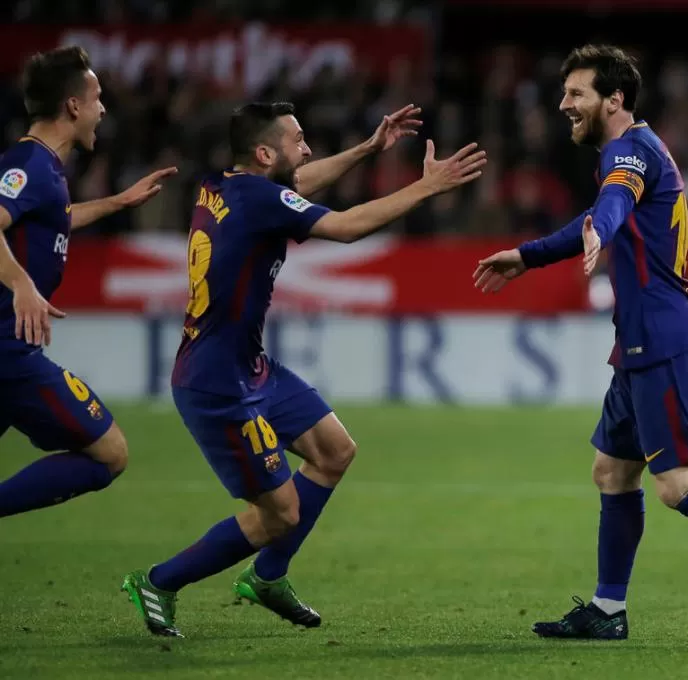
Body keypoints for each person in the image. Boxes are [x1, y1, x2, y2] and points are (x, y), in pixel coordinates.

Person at [473, 44, 688, 645]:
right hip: (641, 344)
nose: (564, 104)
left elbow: (610, 206)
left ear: (614, 99)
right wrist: (527, 256)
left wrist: (598, 231)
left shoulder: (630, 151)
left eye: (576, 93)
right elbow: (600, 209)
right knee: (612, 471)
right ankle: (609, 611)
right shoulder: (629, 151)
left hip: (664, 341)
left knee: (676, 483)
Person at [122, 101, 485, 638]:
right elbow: (347, 227)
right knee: (280, 515)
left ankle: (267, 578)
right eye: (297, 140)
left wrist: (366, 149)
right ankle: (159, 580)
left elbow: (297, 182)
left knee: (335, 450)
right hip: (217, 385)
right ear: (266, 153)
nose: (307, 148)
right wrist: (427, 187)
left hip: (250, 366)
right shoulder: (261, 200)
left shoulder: (222, 185)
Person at [0, 46, 175, 520]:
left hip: (12, 347)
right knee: (110, 452)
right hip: (8, 352)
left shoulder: (46, 171)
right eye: (97, 98)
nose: (103, 109)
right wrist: (21, 284)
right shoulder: (29, 165)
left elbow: (51, 218)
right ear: (73, 106)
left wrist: (116, 203)